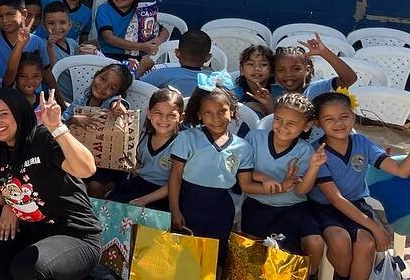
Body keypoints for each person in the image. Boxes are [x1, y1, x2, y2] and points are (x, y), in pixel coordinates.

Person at [0, 88, 103, 280]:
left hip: (76, 236)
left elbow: (86, 169)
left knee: (28, 268)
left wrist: (58, 128)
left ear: (20, 114)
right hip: (33, 233)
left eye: (3, 114)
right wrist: (8, 204)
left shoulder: (42, 139)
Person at [308, 91, 410, 280]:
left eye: (344, 116)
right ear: (318, 123)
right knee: (339, 240)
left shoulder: (362, 143)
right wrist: (376, 227)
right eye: (329, 119)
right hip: (325, 208)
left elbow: (400, 170)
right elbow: (335, 199)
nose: (338, 123)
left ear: (353, 117)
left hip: (357, 203)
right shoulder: (317, 150)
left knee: (365, 245)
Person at [238, 93, 326, 261]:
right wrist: (265, 178)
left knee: (303, 247)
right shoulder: (254, 138)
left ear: (306, 126)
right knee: (256, 254)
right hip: (258, 206)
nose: (283, 126)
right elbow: (242, 172)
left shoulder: (304, 150)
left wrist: (314, 167)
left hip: (293, 208)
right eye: (278, 119)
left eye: (292, 123)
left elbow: (301, 190)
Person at [166, 86, 249, 243]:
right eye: (208, 112)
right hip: (188, 202)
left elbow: (246, 181)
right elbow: (175, 175)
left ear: (232, 111)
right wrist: (174, 210)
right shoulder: (187, 138)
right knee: (184, 251)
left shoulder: (243, 147)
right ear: (199, 114)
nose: (216, 118)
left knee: (215, 254)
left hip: (221, 207)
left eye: (222, 111)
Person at [106, 86, 184, 207]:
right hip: (139, 184)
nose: (164, 119)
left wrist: (144, 200)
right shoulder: (144, 136)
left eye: (171, 115)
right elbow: (139, 166)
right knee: (111, 204)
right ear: (149, 113)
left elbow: (175, 183)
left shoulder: (181, 143)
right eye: (158, 113)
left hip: (162, 193)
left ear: (181, 118)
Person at [92, 0, 166, 61]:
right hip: (108, 57)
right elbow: (109, 38)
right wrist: (141, 47)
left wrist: (157, 41)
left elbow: (165, 31)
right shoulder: (104, 10)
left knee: (149, 63)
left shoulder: (141, 12)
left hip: (137, 57)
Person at [141, 30, 220, 95]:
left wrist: (141, 69)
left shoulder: (161, 74)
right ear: (208, 57)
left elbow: (137, 89)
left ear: (177, 53)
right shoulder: (216, 78)